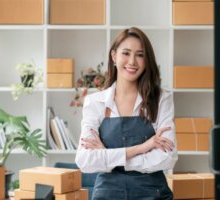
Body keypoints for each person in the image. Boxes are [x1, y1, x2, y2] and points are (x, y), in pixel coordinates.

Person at [75, 27, 178, 200]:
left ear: (147, 61)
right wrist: (143, 148)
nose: (132, 61)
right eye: (126, 53)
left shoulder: (161, 99)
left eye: (140, 55)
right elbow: (85, 160)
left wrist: (109, 157)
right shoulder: (95, 103)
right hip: (107, 195)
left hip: (153, 194)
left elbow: (167, 157)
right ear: (114, 56)